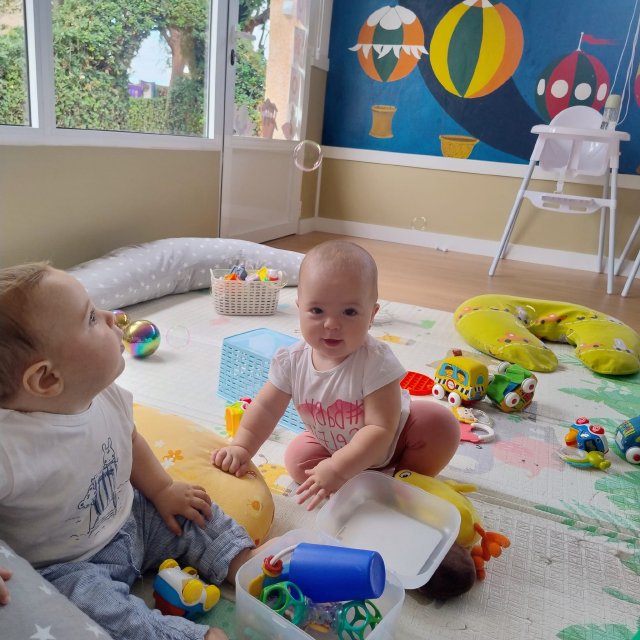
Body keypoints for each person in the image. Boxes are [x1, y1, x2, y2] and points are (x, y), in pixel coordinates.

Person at [0, 262, 268, 640]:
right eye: (90, 318)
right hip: (70, 565)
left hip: (134, 515)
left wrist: (162, 489)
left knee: (193, 509)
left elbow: (129, 438)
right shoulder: (11, 447)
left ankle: (243, 562)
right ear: (47, 378)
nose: (112, 316)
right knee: (91, 608)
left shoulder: (104, 393)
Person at [211, 240, 461, 511]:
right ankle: (360, 481)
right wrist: (242, 447)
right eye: (317, 311)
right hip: (333, 444)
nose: (331, 324)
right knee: (297, 459)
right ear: (299, 307)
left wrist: (338, 467)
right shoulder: (290, 361)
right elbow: (265, 409)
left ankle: (406, 480)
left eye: (349, 312)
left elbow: (380, 429)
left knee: (439, 424)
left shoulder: (375, 361)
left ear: (372, 315)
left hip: (395, 442)